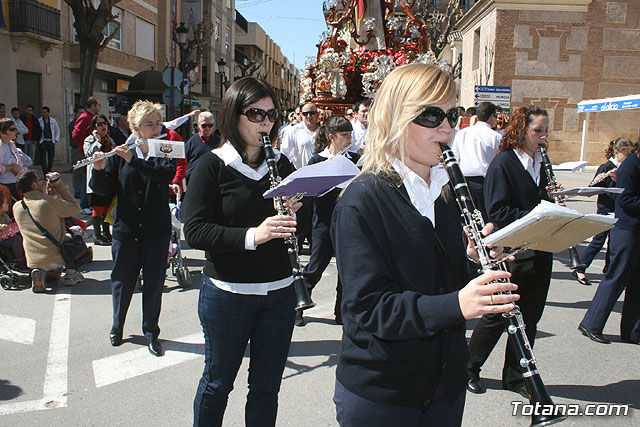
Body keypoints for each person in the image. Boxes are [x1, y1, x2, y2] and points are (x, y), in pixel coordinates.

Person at [330, 64, 519, 426]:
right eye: (431, 115)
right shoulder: (361, 201)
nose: (447, 127)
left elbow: (439, 281)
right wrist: (459, 304)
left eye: (453, 114)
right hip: (384, 393)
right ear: (395, 117)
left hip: (445, 385)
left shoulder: (447, 193)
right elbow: (371, 309)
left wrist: (472, 260)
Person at [183, 76, 303, 427]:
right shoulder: (211, 165)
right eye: (255, 114)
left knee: (266, 388)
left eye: (271, 115)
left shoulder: (281, 165)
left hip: (279, 293)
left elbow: (302, 228)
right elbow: (195, 230)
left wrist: (297, 211)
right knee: (218, 383)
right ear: (234, 116)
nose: (266, 122)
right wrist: (255, 235)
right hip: (228, 294)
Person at [466, 105, 554, 398]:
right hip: (513, 251)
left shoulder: (539, 161)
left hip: (540, 247)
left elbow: (538, 198)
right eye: (537, 130)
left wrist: (553, 205)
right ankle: (467, 368)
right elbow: (498, 210)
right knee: (498, 315)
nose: (543, 137)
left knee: (531, 315)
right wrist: (541, 212)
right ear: (520, 130)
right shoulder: (503, 164)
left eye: (545, 130)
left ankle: (515, 376)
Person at [90, 100, 178, 357]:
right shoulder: (121, 150)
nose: (155, 128)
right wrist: (98, 170)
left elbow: (165, 175)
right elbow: (104, 190)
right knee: (122, 280)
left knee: (153, 283)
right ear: (136, 127)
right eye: (148, 124)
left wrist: (135, 160)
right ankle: (117, 326)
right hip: (126, 230)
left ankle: (151, 332)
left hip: (156, 229)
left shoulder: (165, 147)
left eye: (157, 123)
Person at [298, 116, 359, 327]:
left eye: (350, 133)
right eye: (344, 134)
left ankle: (342, 312)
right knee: (315, 266)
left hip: (347, 222)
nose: (349, 138)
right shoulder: (317, 160)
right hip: (323, 222)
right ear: (332, 136)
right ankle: (297, 305)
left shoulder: (354, 158)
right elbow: (308, 193)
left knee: (346, 270)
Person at [578, 142, 640, 345]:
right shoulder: (631, 164)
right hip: (627, 230)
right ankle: (591, 324)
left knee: (636, 283)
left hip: (635, 230)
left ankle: (632, 331)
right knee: (615, 277)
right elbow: (627, 199)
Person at [572, 137, 635, 285]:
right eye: (625, 155)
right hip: (606, 209)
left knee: (613, 244)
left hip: (619, 210)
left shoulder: (627, 168)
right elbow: (592, 188)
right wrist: (605, 179)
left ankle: (608, 271)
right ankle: (580, 267)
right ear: (616, 152)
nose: (626, 159)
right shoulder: (606, 167)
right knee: (598, 241)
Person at [13, 170, 84, 292]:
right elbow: (75, 207)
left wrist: (47, 195)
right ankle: (71, 274)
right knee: (78, 237)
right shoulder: (49, 202)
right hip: (55, 257)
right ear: (34, 185)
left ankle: (40, 273)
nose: (42, 182)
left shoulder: (17, 206)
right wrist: (59, 186)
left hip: (33, 259)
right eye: (40, 180)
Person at [451, 101, 501, 221]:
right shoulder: (496, 137)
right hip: (485, 183)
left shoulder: (462, 134)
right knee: (486, 219)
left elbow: (455, 159)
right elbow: (499, 163)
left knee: (468, 218)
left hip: (464, 182)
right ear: (492, 117)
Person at [84, 114, 115, 246]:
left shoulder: (110, 140)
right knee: (97, 207)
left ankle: (106, 232)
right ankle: (97, 235)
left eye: (105, 123)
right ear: (94, 127)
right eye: (99, 124)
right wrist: (97, 140)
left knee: (107, 206)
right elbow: (88, 154)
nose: (103, 126)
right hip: (96, 178)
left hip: (108, 177)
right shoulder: (90, 140)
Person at [73, 97, 102, 214]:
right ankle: (84, 204)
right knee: (86, 177)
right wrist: (85, 146)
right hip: (86, 152)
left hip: (92, 151)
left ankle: (88, 203)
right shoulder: (85, 117)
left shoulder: (90, 117)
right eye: (98, 105)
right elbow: (76, 134)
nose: (100, 107)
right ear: (93, 105)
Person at [184, 111, 221, 184]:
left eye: (210, 125)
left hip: (213, 182)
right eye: (204, 125)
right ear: (198, 125)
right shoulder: (191, 142)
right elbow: (183, 162)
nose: (207, 128)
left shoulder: (220, 143)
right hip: (194, 182)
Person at [280, 102, 319, 169]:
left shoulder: (323, 130)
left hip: (321, 173)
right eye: (305, 114)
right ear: (301, 115)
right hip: (301, 173)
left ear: (317, 114)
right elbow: (284, 153)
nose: (309, 116)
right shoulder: (293, 131)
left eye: (312, 113)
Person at [0, 118, 32, 199]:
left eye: (15, 129)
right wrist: (9, 168)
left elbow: (20, 161)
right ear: (2, 133)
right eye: (12, 129)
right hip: (4, 184)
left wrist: (18, 168)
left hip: (16, 183)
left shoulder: (12, 145)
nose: (15, 132)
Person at [0, 190, 28, 272]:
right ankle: (20, 262)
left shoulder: (4, 215)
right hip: (2, 240)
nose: (8, 204)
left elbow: (11, 224)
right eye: (6, 203)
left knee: (22, 236)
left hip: (6, 237)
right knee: (16, 239)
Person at [38, 106, 60, 176]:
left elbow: (57, 130)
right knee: (43, 159)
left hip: (51, 141)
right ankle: (45, 173)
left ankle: (49, 171)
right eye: (42, 112)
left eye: (45, 112)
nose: (43, 114)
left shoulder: (53, 121)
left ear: (48, 113)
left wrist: (56, 139)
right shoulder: (39, 120)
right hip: (43, 141)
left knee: (51, 159)